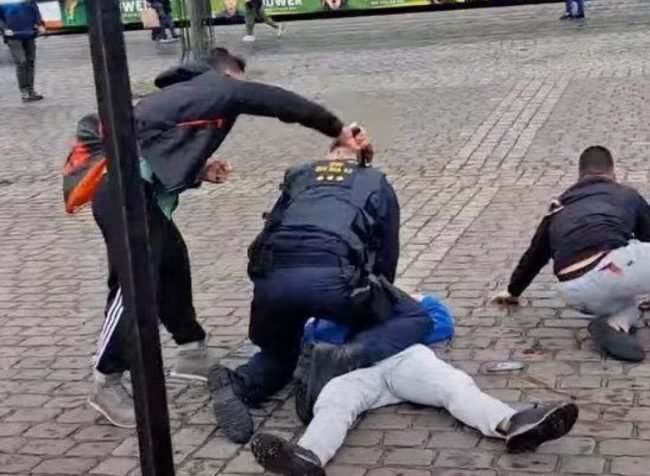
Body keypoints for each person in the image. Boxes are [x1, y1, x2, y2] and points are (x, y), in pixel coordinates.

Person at [83, 47, 363, 429]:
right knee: (135, 287)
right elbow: (274, 100)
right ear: (228, 75)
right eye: (239, 84)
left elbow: (155, 147)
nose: (239, 96)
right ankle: (107, 379)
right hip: (122, 195)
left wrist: (200, 172)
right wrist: (336, 128)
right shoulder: (218, 86)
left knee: (172, 268)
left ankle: (191, 351)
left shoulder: (187, 96)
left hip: (140, 196)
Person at [207, 128, 433, 444]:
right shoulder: (374, 181)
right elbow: (387, 252)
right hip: (337, 282)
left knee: (281, 352)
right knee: (417, 317)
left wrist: (267, 293)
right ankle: (346, 355)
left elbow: (269, 231)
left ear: (331, 152)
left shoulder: (298, 176)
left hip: (274, 284)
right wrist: (377, 305)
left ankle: (238, 384)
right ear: (363, 159)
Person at [250, 296, 579, 476]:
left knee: (452, 385)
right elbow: (308, 357)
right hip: (357, 373)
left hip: (404, 359)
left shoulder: (398, 297)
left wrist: (389, 335)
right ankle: (308, 457)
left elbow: (441, 323)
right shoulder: (315, 321)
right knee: (334, 400)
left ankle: (512, 424)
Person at [493, 146, 650, 362]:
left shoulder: (559, 205)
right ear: (614, 174)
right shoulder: (626, 194)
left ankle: (613, 324)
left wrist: (513, 291)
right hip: (608, 268)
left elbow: (535, 255)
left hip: (574, 292)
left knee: (629, 307)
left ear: (579, 175)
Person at [0, 0, 46, 102]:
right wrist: (4, 29)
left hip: (29, 33)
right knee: (21, 61)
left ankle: (31, 90)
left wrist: (39, 24)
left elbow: (35, 10)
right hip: (13, 36)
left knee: (30, 61)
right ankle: (24, 91)